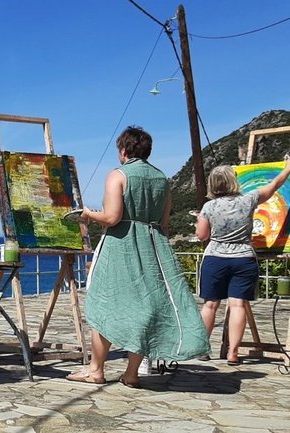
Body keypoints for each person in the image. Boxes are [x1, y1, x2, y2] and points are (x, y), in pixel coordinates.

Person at [66, 126, 209, 387]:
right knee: (145, 309)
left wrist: (87, 215)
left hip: (121, 246)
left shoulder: (118, 175)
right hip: (154, 245)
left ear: (124, 150)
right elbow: (165, 223)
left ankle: (96, 370)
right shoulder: (162, 179)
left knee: (103, 305)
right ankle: (131, 374)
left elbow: (112, 218)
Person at [196, 158, 290, 365]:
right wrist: (287, 170)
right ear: (233, 181)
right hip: (244, 258)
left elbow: (202, 235)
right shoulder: (248, 200)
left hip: (215, 259)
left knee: (210, 305)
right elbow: (274, 186)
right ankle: (233, 353)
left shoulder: (209, 207)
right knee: (238, 304)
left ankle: (203, 349)